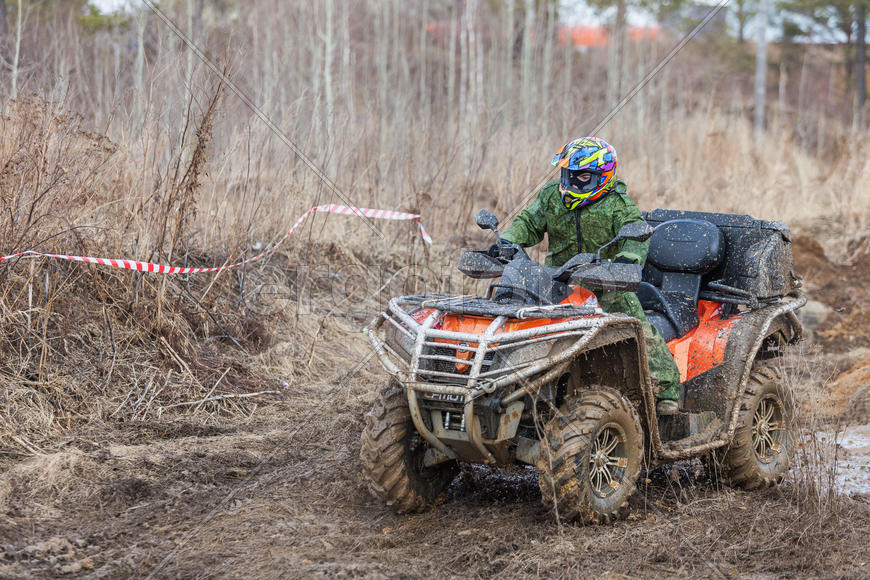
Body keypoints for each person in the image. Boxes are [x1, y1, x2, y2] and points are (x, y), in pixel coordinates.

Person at [499, 137, 681, 415]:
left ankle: (667, 389)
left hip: (608, 285)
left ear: (602, 176)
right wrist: (508, 241)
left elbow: (637, 234)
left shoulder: (619, 204)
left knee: (637, 327)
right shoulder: (551, 196)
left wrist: (625, 262)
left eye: (582, 176)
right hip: (555, 283)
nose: (573, 182)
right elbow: (528, 223)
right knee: (517, 322)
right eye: (568, 175)